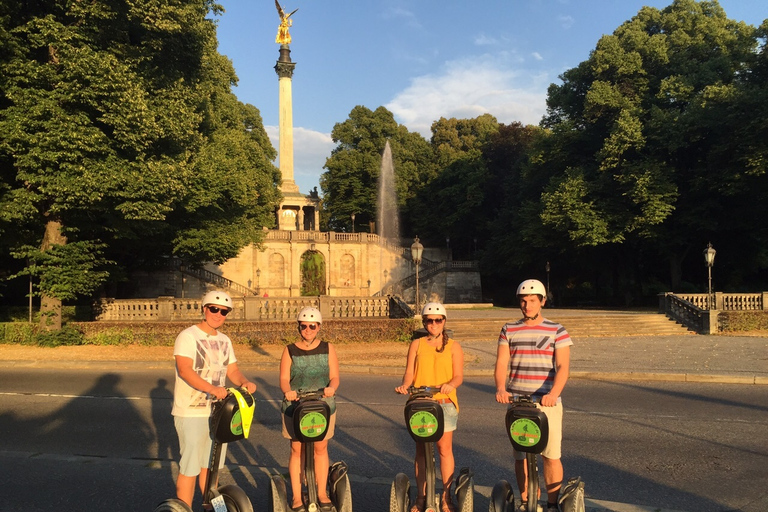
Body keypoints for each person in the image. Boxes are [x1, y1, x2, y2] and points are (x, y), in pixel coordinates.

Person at [171, 290, 257, 507]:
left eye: (224, 311)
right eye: (214, 309)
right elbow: (184, 370)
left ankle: (216, 510)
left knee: (211, 468)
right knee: (190, 468)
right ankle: (184, 509)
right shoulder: (187, 336)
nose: (218, 314)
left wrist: (244, 382)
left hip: (218, 412)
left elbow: (233, 370)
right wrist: (212, 389)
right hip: (191, 411)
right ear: (204, 309)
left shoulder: (225, 340)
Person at [494, 279, 572, 512]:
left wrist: (553, 393)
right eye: (523, 301)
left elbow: (563, 367)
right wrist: (500, 388)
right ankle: (528, 502)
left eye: (531, 301)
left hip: (546, 403)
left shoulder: (557, 330)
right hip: (518, 402)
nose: (527, 305)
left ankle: (550, 504)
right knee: (521, 456)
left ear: (542, 302)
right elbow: (501, 364)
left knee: (550, 456)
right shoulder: (509, 329)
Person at [396, 302, 464, 512]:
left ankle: (445, 497)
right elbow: (409, 371)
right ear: (424, 322)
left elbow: (459, 376)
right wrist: (406, 385)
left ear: (444, 322)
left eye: (438, 320)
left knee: (444, 450)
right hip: (420, 402)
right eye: (429, 320)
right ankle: (421, 496)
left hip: (444, 403)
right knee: (421, 452)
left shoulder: (454, 346)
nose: (433, 324)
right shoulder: (417, 344)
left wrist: (450, 385)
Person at [280, 306, 340, 512]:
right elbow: (283, 379)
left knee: (320, 448)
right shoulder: (289, 350)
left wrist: (332, 388)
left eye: (312, 326)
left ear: (319, 327)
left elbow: (335, 376)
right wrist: (288, 391)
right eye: (304, 326)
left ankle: (321, 492)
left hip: (322, 404)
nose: (308, 329)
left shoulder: (328, 348)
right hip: (295, 406)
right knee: (297, 449)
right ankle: (297, 496)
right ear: (299, 327)